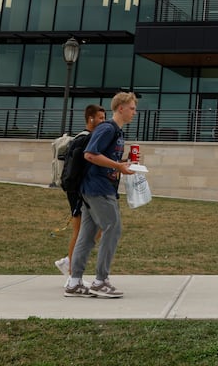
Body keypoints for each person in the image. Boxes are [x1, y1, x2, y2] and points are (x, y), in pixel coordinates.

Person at [64, 92, 137, 298]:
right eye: (132, 108)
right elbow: (90, 154)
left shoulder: (116, 132)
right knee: (113, 228)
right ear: (120, 108)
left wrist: (122, 163)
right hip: (98, 189)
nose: (134, 112)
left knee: (86, 236)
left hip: (95, 188)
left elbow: (103, 157)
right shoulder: (107, 128)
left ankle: (74, 282)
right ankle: (100, 281)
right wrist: (118, 166)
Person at [53, 104, 106, 281]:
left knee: (94, 230)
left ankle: (69, 262)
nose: (103, 121)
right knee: (81, 232)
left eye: (104, 118)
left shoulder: (86, 138)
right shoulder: (85, 139)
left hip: (80, 191)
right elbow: (80, 169)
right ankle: (71, 275)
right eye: (100, 118)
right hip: (79, 192)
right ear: (90, 118)